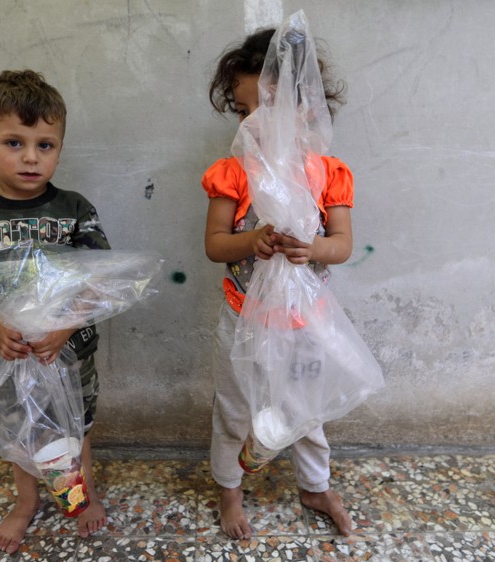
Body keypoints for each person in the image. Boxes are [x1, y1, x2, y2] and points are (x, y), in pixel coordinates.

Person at [0, 70, 109, 554]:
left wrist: (64, 326)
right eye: (14, 142)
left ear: (60, 147)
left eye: (46, 144)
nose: (31, 157)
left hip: (69, 351)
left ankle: (84, 495)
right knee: (22, 430)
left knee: (77, 428)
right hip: (6, 353)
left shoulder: (75, 210)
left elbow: (101, 279)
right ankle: (26, 500)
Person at [203, 28, 354, 540]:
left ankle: (314, 485)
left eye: (269, 107)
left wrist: (312, 249)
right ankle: (230, 490)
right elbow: (216, 245)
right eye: (245, 110)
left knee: (305, 412)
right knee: (236, 411)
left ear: (306, 106)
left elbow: (342, 245)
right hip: (243, 319)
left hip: (305, 321)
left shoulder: (327, 173)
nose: (256, 121)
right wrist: (253, 242)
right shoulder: (233, 173)